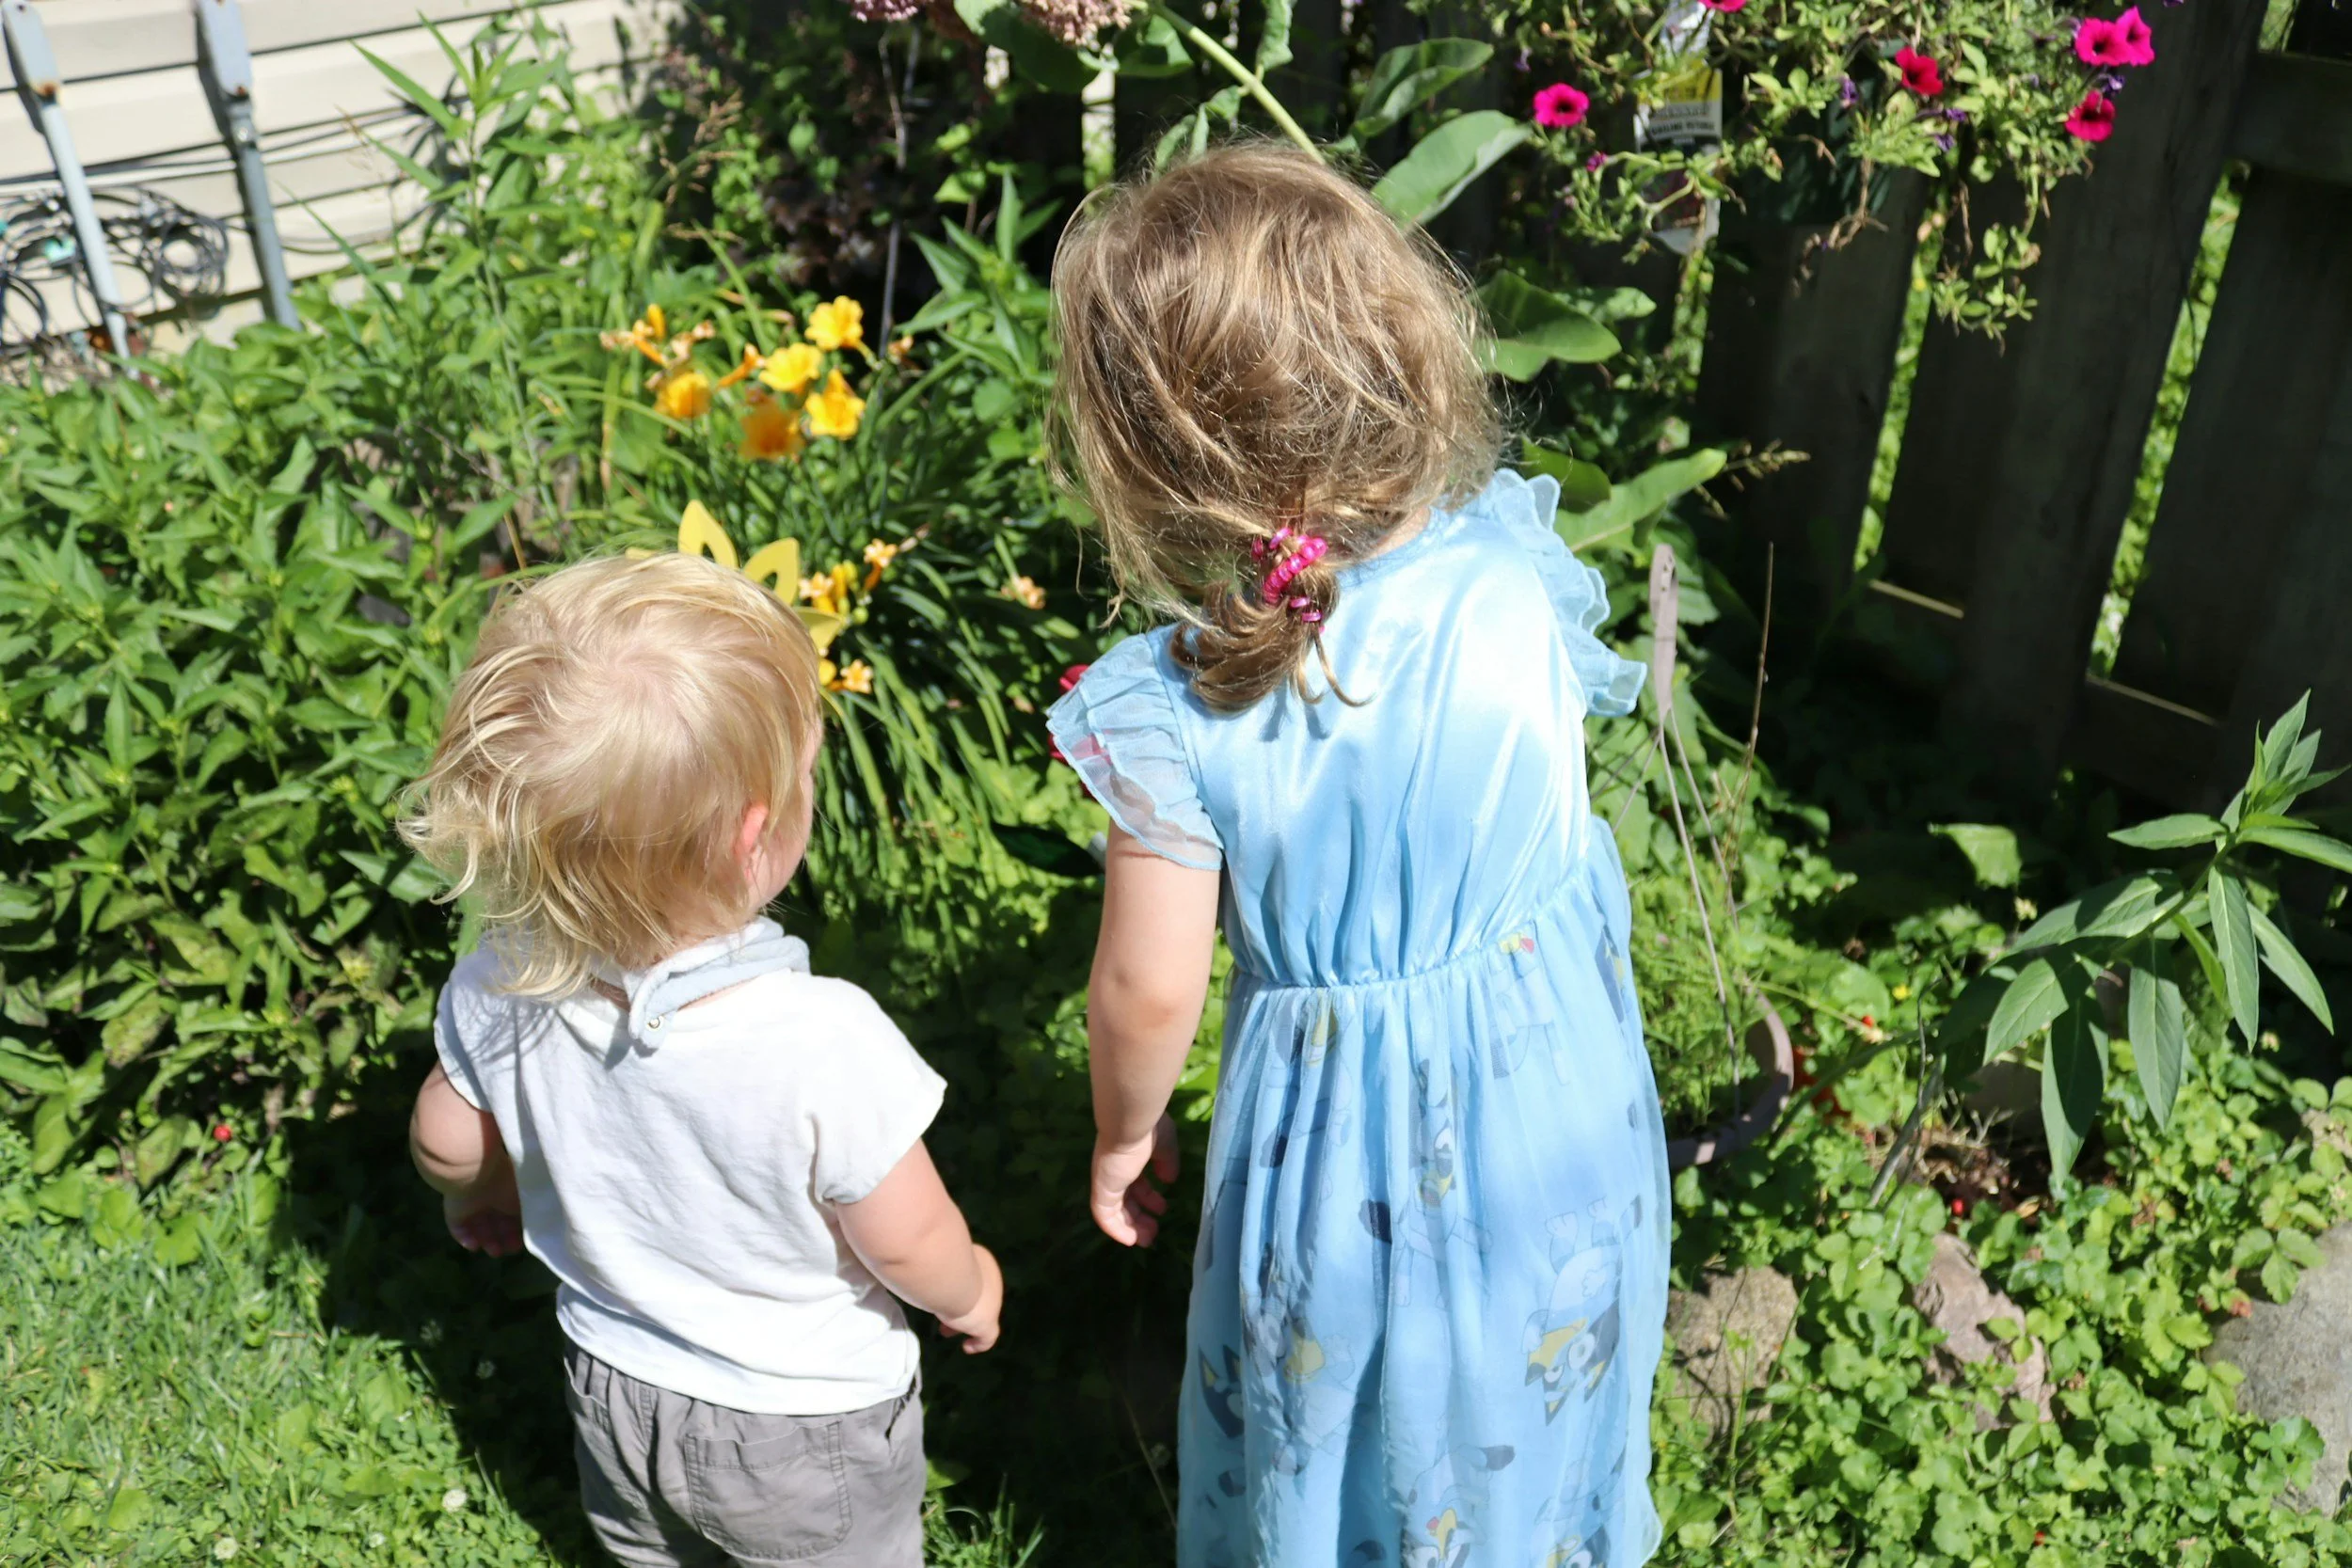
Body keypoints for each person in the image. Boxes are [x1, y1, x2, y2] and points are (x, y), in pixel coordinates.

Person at [1048, 144, 1671, 1568]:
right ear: (1404, 352)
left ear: (1150, 454)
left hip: (1346, 1150)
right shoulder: (1511, 572)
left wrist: (1126, 1131)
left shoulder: (1174, 705)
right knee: (1536, 1356)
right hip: (1559, 1097)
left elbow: (1149, 991)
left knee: (1353, 1401)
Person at [401, 552, 999, 1568]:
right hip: (805, 1430)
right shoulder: (822, 1034)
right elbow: (902, 1234)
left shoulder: (503, 976)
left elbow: (445, 1135)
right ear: (754, 834)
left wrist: (479, 1196)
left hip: (615, 1380)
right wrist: (967, 1288)